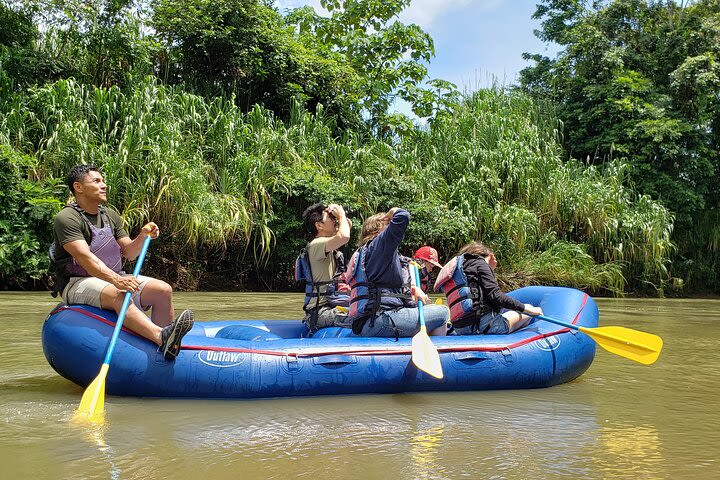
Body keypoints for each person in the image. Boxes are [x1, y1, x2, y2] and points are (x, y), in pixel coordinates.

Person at [49, 164, 193, 360]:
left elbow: (130, 253)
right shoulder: (66, 218)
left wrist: (143, 236)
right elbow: (85, 258)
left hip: (114, 278)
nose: (104, 185)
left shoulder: (109, 215)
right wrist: (117, 280)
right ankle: (161, 337)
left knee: (163, 290)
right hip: (77, 282)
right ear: (78, 187)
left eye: (103, 180)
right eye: (97, 181)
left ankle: (167, 346)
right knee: (120, 293)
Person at [346, 207, 448, 337]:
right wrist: (392, 212)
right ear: (378, 230)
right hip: (381, 320)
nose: (391, 227)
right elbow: (403, 216)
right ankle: (438, 355)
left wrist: (413, 289)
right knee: (442, 313)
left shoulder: (367, 253)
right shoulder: (379, 245)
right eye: (388, 223)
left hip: (366, 322)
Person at [434, 242, 543, 335]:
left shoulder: (459, 269)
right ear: (491, 255)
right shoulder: (481, 263)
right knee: (526, 315)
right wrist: (527, 308)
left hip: (461, 329)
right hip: (483, 327)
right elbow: (496, 297)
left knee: (507, 314)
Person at [295, 203, 352, 332]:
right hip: (320, 312)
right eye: (330, 218)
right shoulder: (317, 244)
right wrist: (340, 215)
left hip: (330, 306)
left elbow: (347, 226)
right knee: (363, 318)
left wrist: (339, 214)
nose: (334, 220)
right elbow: (344, 236)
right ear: (319, 225)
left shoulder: (327, 244)